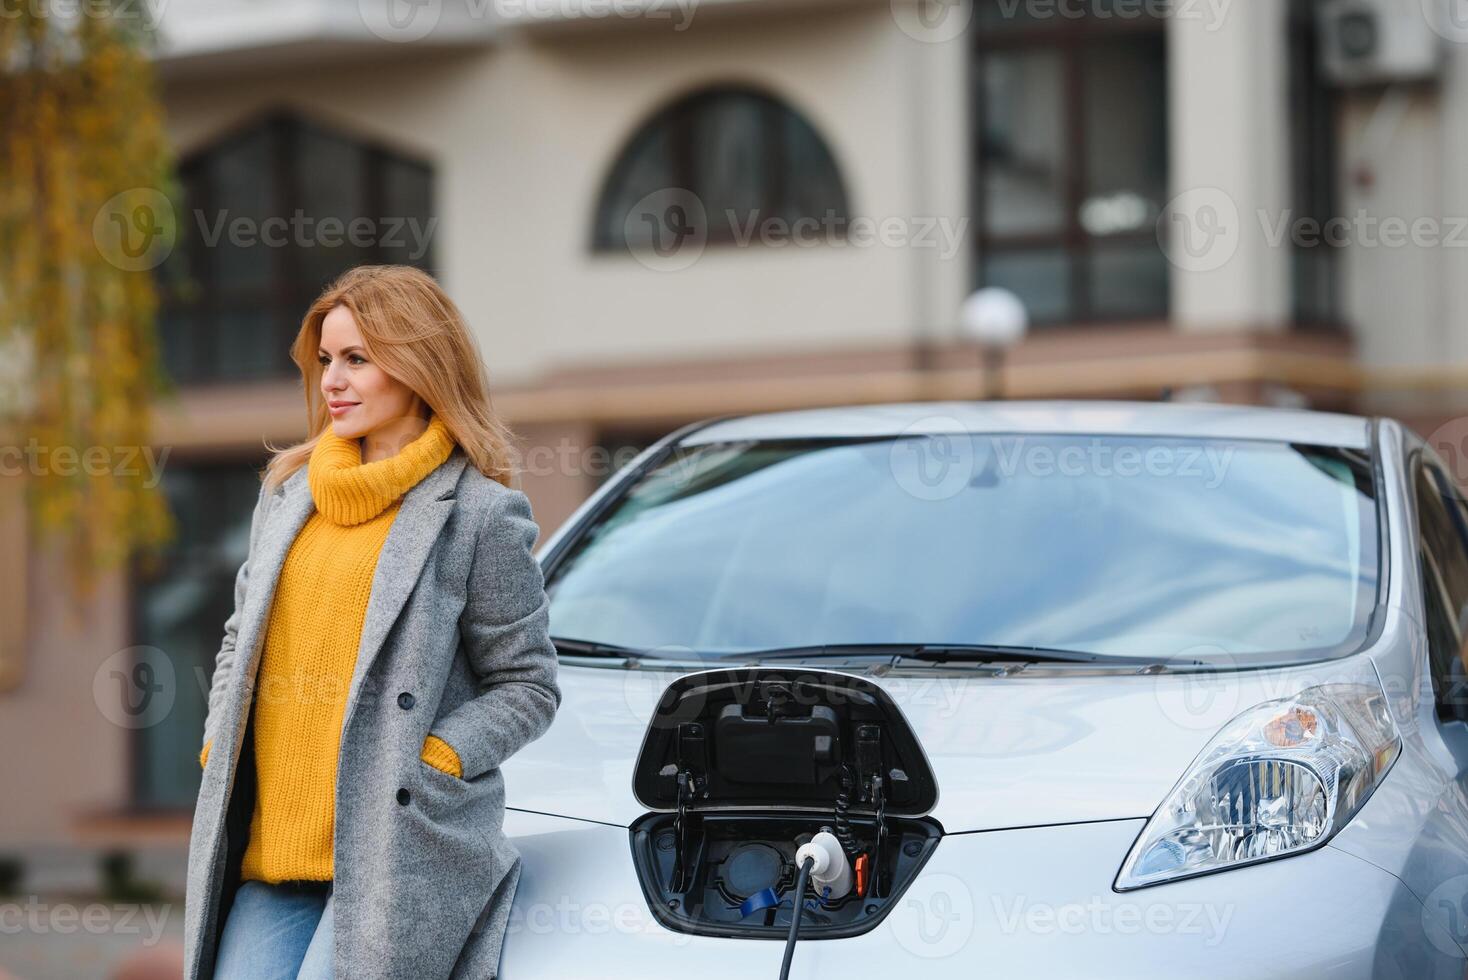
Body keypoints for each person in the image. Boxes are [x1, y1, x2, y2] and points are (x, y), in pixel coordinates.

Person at [182, 265, 561, 980]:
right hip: (273, 849)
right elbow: (240, 637)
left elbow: (528, 685)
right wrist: (217, 740)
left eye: (358, 358)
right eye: (326, 359)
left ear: (419, 366)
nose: (333, 380)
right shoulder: (288, 495)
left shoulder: (479, 514)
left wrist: (436, 757)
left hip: (394, 850)